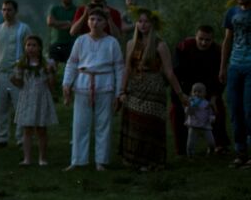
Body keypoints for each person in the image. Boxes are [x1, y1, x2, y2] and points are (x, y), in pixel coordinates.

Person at [117, 9, 186, 171]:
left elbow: (169, 72)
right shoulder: (130, 44)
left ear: (152, 24)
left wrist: (181, 94)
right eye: (140, 21)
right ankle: (134, 160)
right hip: (135, 85)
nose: (142, 25)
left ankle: (151, 162)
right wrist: (122, 90)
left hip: (154, 86)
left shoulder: (160, 45)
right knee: (134, 122)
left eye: (146, 21)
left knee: (150, 124)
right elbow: (127, 68)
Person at [62, 9, 123, 171]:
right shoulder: (81, 41)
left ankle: (101, 161)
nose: (94, 23)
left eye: (99, 20)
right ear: (87, 22)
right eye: (92, 19)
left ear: (105, 23)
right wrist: (67, 83)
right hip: (83, 85)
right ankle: (78, 160)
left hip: (105, 85)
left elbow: (119, 68)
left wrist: (119, 92)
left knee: (103, 124)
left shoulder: (112, 42)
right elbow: (72, 63)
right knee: (80, 124)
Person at [172, 25, 227, 155]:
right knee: (176, 112)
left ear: (212, 39)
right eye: (201, 38)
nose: (203, 42)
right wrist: (181, 96)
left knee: (218, 109)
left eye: (207, 40)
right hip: (186, 88)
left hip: (208, 88)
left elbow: (221, 77)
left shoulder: (218, 51)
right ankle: (181, 149)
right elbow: (175, 73)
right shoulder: (184, 47)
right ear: (195, 36)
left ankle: (220, 144)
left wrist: (214, 97)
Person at [11, 35, 58, 166]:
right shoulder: (21, 64)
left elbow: (51, 84)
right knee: (27, 129)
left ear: (39, 48)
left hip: (41, 97)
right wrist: (14, 77)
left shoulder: (46, 64)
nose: (31, 48)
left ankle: (42, 158)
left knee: (41, 129)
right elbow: (18, 83)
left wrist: (51, 73)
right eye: (28, 45)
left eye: (34, 45)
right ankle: (27, 158)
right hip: (27, 96)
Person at [0, 0, 32, 149]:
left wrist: (24, 71)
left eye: (9, 10)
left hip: (17, 72)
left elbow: (29, 51)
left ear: (15, 11)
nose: (6, 13)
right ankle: (0, 137)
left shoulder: (23, 29)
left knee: (20, 107)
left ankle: (22, 139)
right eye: (4, 10)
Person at [222, 0, 251, 168]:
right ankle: (240, 152)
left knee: (249, 110)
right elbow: (227, 41)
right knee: (235, 110)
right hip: (234, 66)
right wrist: (223, 67)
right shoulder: (231, 12)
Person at [46, 0, 78, 64]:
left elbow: (74, 25)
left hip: (71, 43)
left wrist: (57, 24)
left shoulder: (76, 9)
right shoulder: (55, 9)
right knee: (52, 67)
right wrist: (67, 22)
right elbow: (50, 22)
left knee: (71, 66)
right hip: (56, 42)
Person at [184, 83, 217, 156]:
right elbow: (187, 112)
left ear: (205, 93)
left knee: (211, 142)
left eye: (199, 91)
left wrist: (212, 118)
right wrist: (190, 107)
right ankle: (190, 155)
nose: (197, 93)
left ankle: (211, 151)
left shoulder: (206, 103)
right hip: (193, 126)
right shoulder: (190, 102)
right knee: (190, 143)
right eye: (194, 91)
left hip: (205, 126)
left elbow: (210, 113)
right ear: (191, 93)